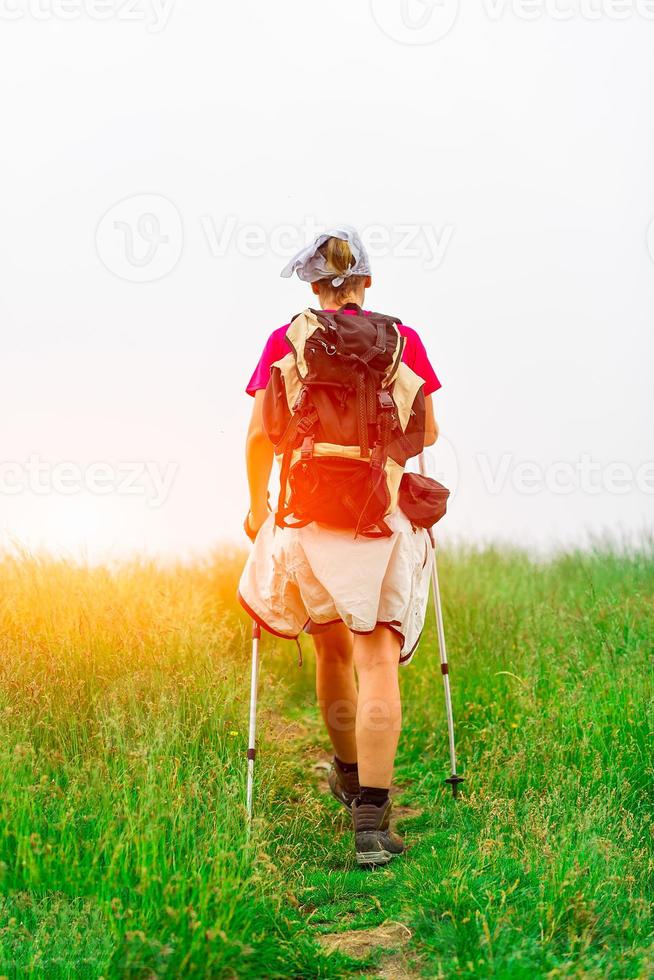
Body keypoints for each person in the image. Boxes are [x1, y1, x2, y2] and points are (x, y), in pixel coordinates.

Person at [239, 226, 441, 867]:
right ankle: (373, 822)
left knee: (330, 649)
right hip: (375, 522)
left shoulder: (287, 339)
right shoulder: (401, 340)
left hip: (305, 519)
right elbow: (427, 429)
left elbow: (258, 437)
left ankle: (349, 776)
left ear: (313, 288)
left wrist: (256, 507)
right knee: (377, 658)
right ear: (366, 284)